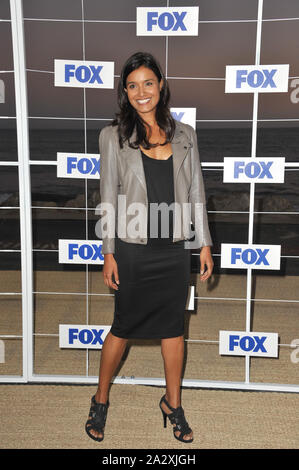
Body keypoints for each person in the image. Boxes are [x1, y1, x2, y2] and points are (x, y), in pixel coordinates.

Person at [85, 52, 213, 444]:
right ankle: (100, 399)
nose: (142, 92)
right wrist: (108, 251)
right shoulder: (113, 137)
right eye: (132, 85)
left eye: (148, 83)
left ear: (161, 85)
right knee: (122, 327)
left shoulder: (186, 134)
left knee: (174, 330)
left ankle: (172, 404)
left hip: (174, 248)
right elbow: (107, 196)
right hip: (133, 247)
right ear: (125, 92)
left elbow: (195, 192)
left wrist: (203, 242)